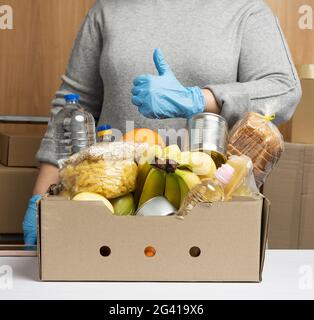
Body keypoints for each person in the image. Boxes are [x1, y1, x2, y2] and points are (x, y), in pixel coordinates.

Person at [23, 0, 302, 244]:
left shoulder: (246, 10)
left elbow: (284, 90)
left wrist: (199, 98)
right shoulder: (108, 9)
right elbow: (73, 105)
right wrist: (41, 200)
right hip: (110, 202)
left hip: (208, 202)